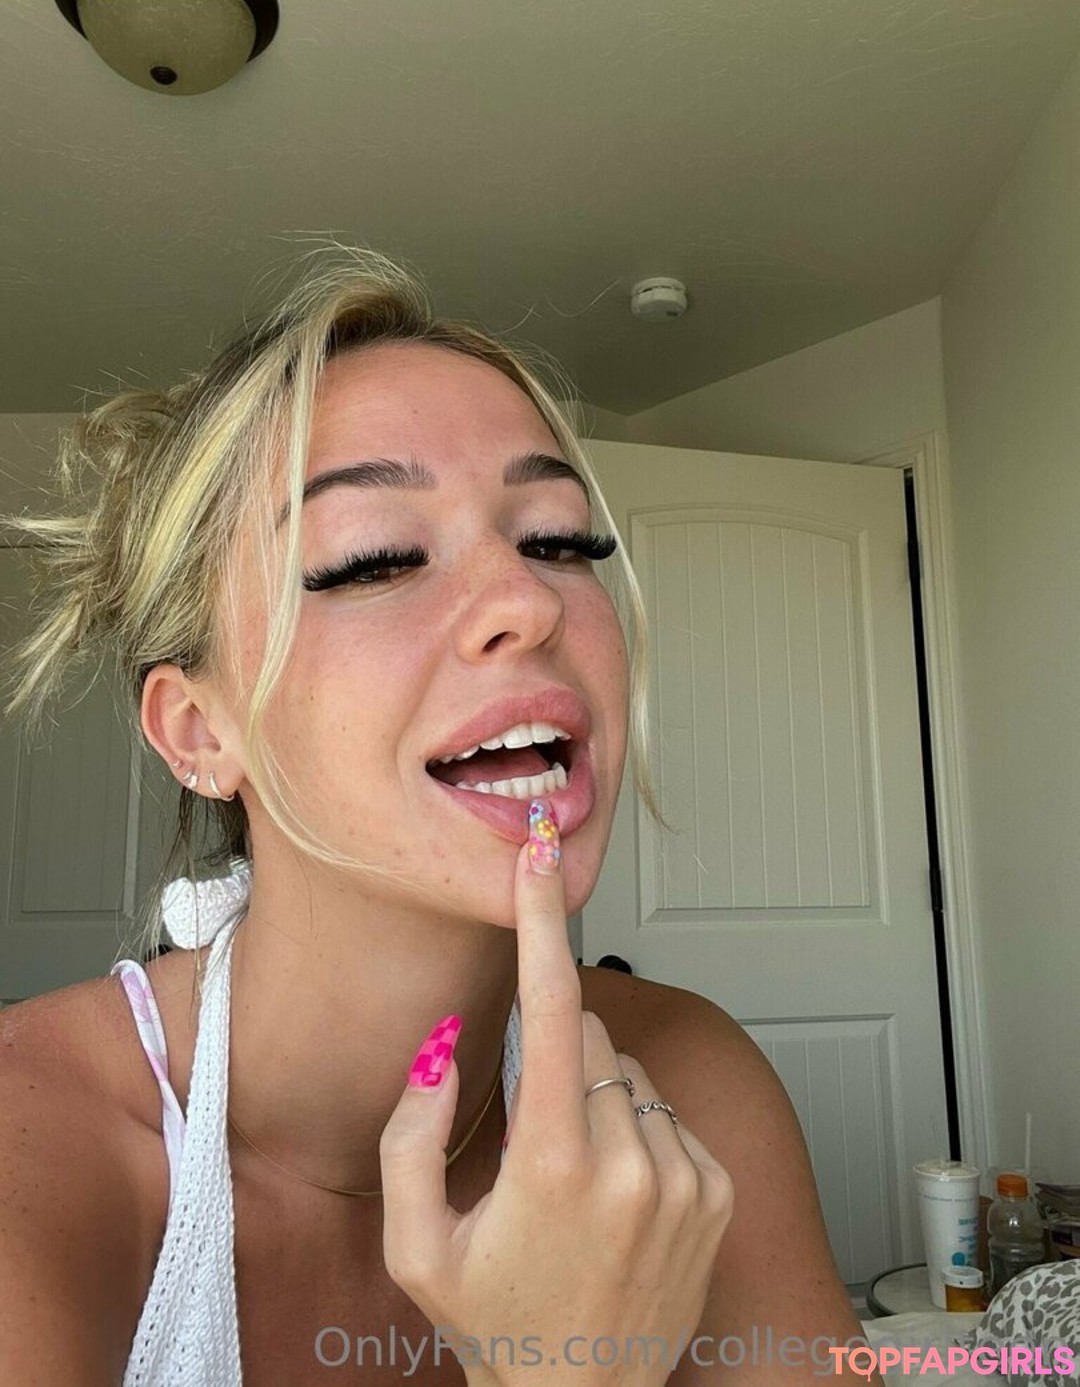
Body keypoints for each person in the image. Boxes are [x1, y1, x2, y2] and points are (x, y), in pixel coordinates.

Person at [0, 247, 875, 1385]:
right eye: (373, 558)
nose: (528, 599)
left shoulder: (695, 1083)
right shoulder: (29, 1137)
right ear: (199, 730)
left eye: (557, 539)